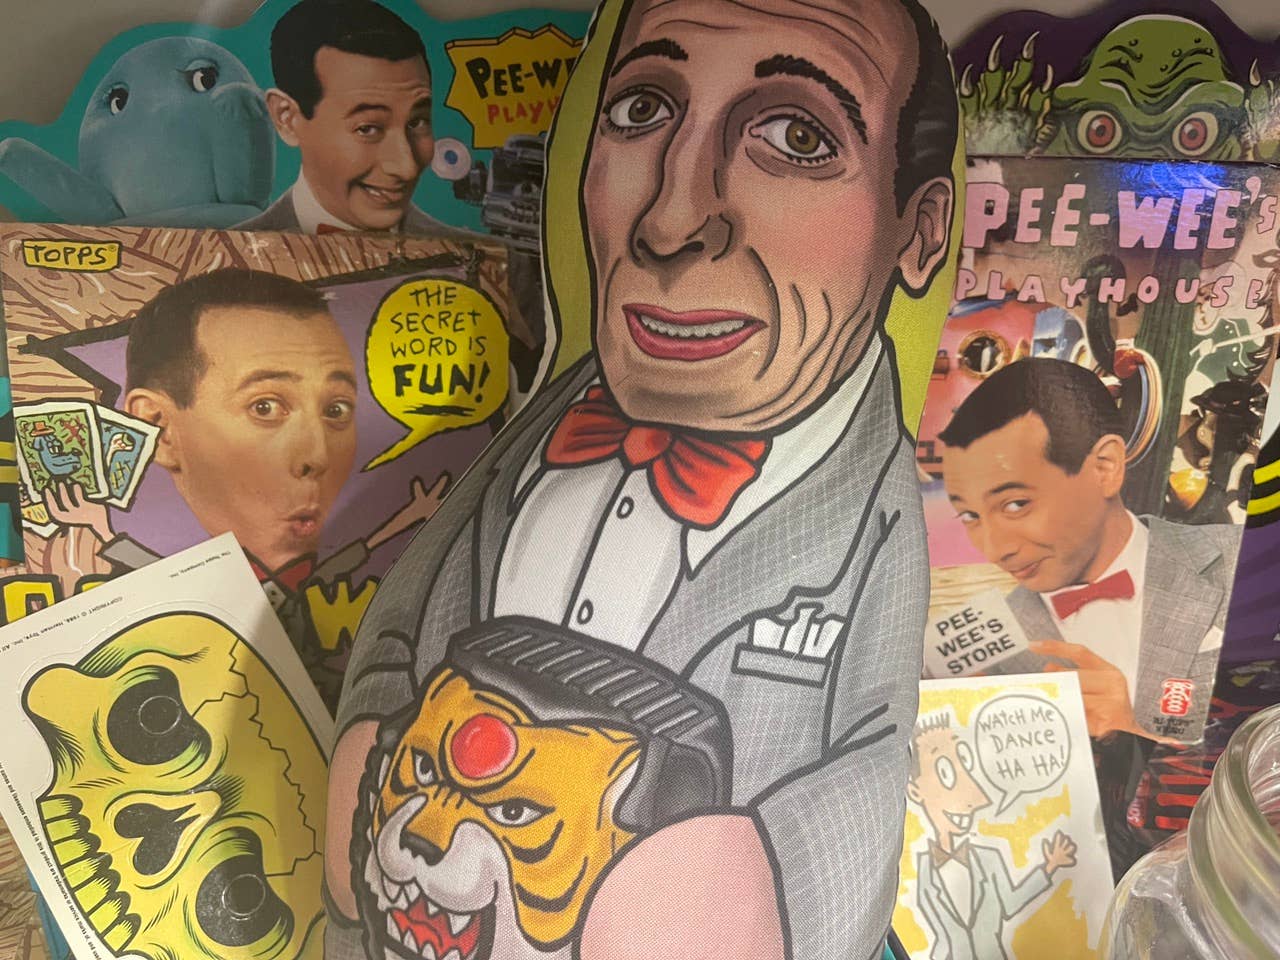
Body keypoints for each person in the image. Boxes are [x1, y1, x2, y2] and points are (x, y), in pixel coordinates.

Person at [326, 0, 959, 957]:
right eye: (641, 110)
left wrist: (755, 881)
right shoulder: (533, 435)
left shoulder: (867, 524)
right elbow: (406, 624)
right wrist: (374, 728)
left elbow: (861, 775)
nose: (669, 223)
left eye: (797, 137)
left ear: (918, 230)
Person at [40, 269, 446, 706]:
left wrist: (412, 516)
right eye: (265, 406)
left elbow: (354, 556)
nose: (317, 455)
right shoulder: (180, 594)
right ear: (158, 427)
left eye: (336, 409)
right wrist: (100, 530)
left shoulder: (315, 585)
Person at [940, 358, 1241, 744]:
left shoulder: (1243, 560)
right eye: (969, 515)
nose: (995, 549)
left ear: (1105, 467)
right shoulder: (980, 649)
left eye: (1016, 504)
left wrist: (1137, 737)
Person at [238, 0, 470, 237]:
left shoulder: (486, 254)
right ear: (286, 119)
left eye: (416, 123)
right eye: (368, 128)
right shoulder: (225, 252)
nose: (406, 168)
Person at [908, 713, 1077, 960]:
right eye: (945, 772)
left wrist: (1049, 867)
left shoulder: (989, 858)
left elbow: (1011, 903)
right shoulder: (917, 869)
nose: (976, 799)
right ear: (914, 790)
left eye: (964, 762)